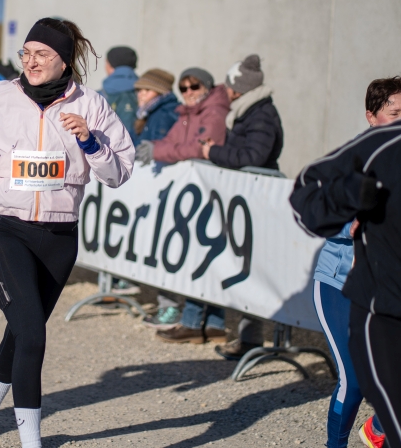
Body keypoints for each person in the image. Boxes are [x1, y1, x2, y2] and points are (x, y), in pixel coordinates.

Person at [0, 17, 134, 448]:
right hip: (5, 228)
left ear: (64, 61)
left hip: (59, 238)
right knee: (33, 333)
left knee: (22, 330)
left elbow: (119, 173)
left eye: (42, 54)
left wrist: (91, 142)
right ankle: (31, 442)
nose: (31, 62)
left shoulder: (91, 105)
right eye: (27, 53)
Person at [290, 76, 401, 448]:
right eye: (395, 114)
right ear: (371, 116)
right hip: (339, 283)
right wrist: (347, 225)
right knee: (353, 381)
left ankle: (378, 430)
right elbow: (315, 206)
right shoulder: (358, 159)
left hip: (388, 289)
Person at [200, 54, 283, 359]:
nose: (226, 89)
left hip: (258, 201)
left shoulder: (261, 115)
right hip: (249, 199)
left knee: (252, 267)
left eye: (230, 84)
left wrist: (213, 152)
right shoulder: (251, 110)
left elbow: (253, 157)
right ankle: (248, 338)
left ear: (240, 88)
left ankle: (252, 340)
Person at [142, 69, 230, 331]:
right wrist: (157, 149)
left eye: (194, 86)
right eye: (184, 88)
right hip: (188, 197)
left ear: (207, 87)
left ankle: (201, 322)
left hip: (206, 195)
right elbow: (171, 142)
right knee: (192, 254)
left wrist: (158, 151)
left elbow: (201, 149)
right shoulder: (185, 114)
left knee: (202, 256)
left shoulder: (213, 113)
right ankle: (209, 324)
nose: (189, 92)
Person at [100, 46, 139, 143]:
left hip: (107, 146)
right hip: (139, 148)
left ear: (110, 65)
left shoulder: (99, 95)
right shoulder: (146, 92)